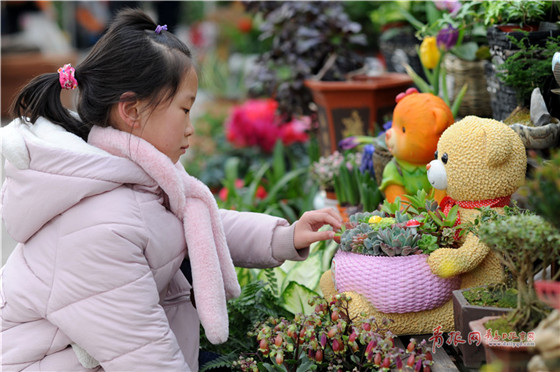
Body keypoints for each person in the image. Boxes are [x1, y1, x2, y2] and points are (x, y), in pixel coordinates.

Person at [0, 8, 342, 371]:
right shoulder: (97, 226)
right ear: (132, 109)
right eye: (185, 109)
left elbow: (194, 222)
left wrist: (285, 237)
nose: (191, 128)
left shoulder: (129, 175)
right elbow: (144, 354)